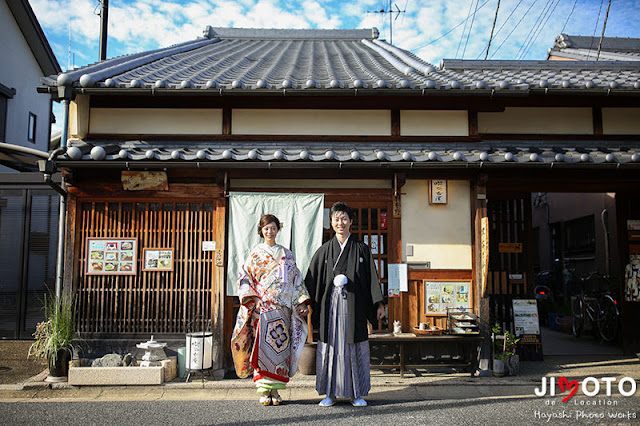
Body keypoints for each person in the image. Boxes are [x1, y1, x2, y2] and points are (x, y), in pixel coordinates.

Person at [305, 201, 385, 407]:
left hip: (354, 308)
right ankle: (329, 393)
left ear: (351, 222)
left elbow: (372, 280)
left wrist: (378, 304)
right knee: (330, 349)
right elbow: (312, 280)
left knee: (353, 348)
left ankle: (356, 393)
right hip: (330, 309)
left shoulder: (361, 249)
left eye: (344, 218)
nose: (340, 223)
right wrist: (304, 302)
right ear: (331, 223)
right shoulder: (324, 251)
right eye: (336, 219)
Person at [231, 214, 310, 406]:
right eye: (266, 228)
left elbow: (296, 279)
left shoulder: (286, 254)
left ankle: (276, 390)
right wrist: (255, 299)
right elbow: (245, 278)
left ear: (278, 229)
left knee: (280, 350)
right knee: (262, 350)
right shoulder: (255, 255)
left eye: (273, 228)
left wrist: (300, 302)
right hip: (263, 309)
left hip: (282, 310)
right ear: (261, 231)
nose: (270, 231)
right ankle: (264, 390)